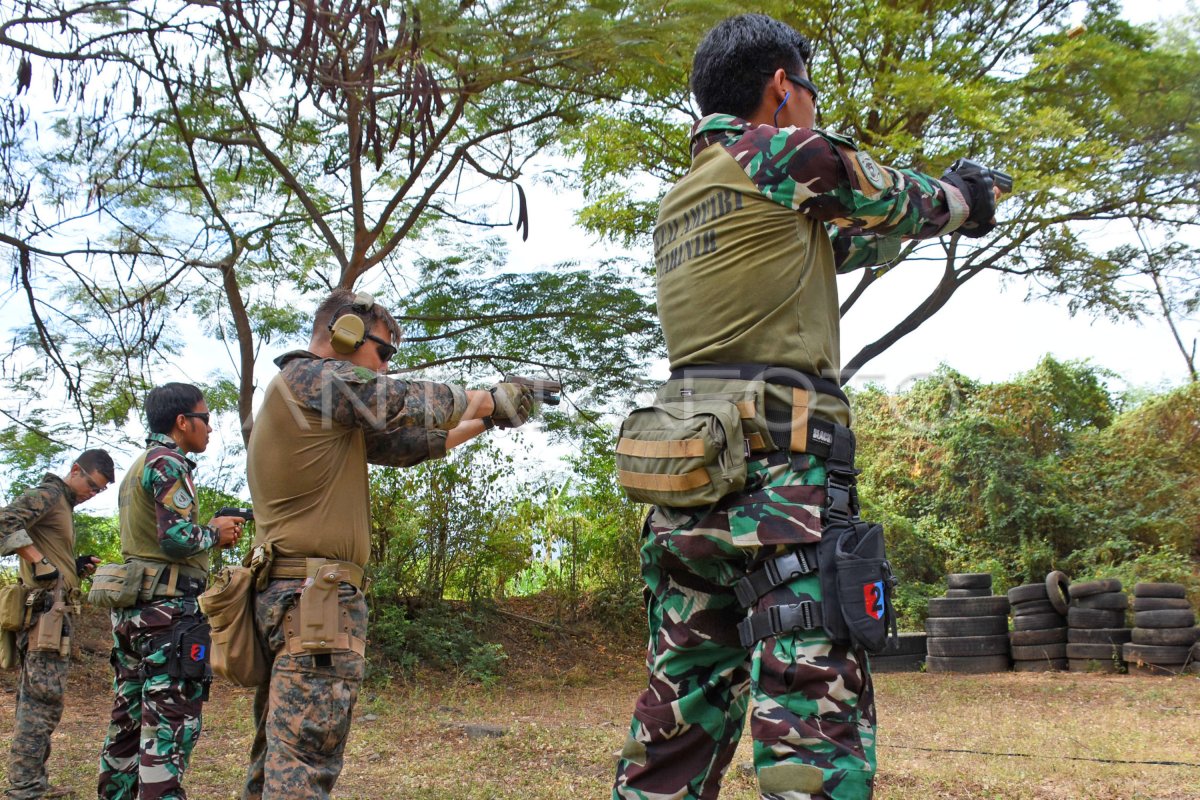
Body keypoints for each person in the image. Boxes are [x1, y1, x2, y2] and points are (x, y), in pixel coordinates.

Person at [613, 14, 1003, 800]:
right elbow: (896, 201)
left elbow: (849, 241)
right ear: (781, 86)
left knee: (678, 719)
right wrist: (968, 197)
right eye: (811, 91)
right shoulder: (774, 150)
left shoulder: (686, 197)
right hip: (777, 487)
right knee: (809, 722)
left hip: (688, 490)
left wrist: (916, 221)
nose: (816, 109)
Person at [241, 289, 536, 800]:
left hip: (295, 594)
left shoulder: (313, 402)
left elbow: (404, 443)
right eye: (384, 352)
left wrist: (487, 420)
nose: (384, 366)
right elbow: (398, 400)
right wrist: (491, 396)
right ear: (345, 332)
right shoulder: (308, 377)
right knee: (305, 764)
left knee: (279, 758)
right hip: (314, 601)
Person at [97, 383, 244, 799]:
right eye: (206, 419)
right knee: (167, 730)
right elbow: (177, 539)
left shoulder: (138, 465)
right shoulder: (168, 462)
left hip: (133, 615)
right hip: (168, 620)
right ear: (183, 422)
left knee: (126, 730)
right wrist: (214, 535)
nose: (211, 430)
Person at [0, 450, 114, 799]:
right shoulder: (49, 494)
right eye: (91, 485)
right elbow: (4, 521)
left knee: (36, 700)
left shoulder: (62, 504)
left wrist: (71, 568)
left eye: (99, 492)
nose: (91, 494)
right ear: (75, 470)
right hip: (45, 616)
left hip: (53, 610)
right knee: (43, 702)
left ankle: (31, 782)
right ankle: (24, 788)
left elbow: (48, 555)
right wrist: (38, 560)